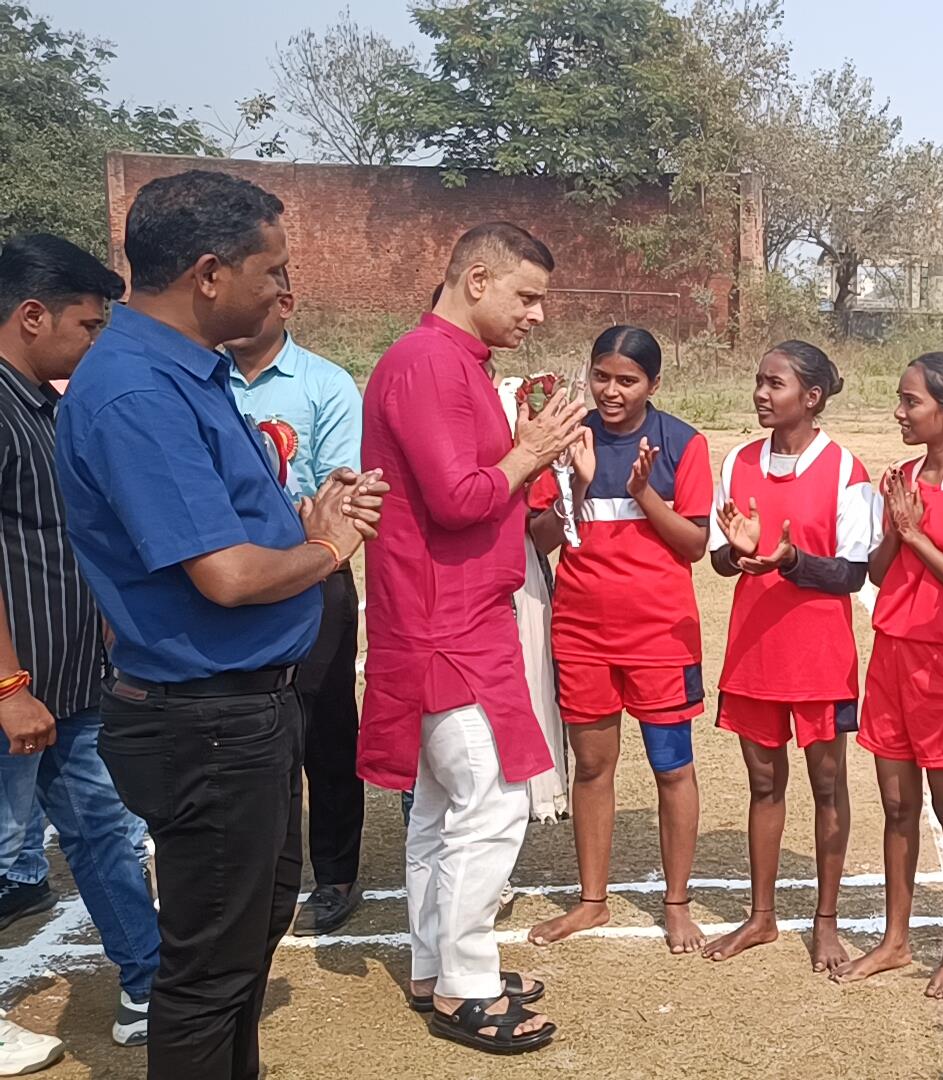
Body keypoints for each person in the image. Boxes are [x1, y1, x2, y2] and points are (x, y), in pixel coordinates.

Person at [54, 171, 385, 1080]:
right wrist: (327, 546)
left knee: (246, 938)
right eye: (270, 269)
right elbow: (229, 576)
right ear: (209, 273)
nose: (281, 290)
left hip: (241, 709)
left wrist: (302, 524)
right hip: (206, 719)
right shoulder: (138, 390)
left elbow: (223, 533)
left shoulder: (182, 372)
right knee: (208, 973)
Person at [359, 222, 585, 1055]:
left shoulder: (454, 363)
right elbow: (458, 499)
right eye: (526, 296)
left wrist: (523, 455)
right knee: (490, 802)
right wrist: (530, 453)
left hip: (449, 613)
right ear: (477, 279)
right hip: (445, 622)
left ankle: (437, 966)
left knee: (444, 804)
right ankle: (464, 983)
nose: (536, 314)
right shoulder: (428, 363)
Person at [0, 234, 160, 1067]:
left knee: (104, 833)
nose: (96, 341)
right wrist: (7, 684)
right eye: (88, 325)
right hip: (15, 692)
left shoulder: (43, 406)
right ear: (33, 316)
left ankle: (149, 984)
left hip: (68, 684)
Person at [523, 326, 713, 954]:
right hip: (582, 634)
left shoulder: (683, 443)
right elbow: (542, 539)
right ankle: (592, 900)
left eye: (627, 380)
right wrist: (576, 485)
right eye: (601, 376)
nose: (611, 391)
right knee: (593, 768)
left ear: (653, 384)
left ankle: (677, 903)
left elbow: (694, 544)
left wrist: (641, 494)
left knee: (672, 768)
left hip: (661, 637)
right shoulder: (565, 438)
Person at [701, 341, 874, 969]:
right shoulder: (738, 461)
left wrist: (792, 560)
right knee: (763, 783)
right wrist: (737, 551)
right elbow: (721, 559)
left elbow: (852, 573)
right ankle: (762, 916)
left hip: (818, 655)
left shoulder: (845, 470)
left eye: (775, 384)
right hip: (754, 651)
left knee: (827, 786)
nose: (761, 393)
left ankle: (825, 920)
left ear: (812, 397)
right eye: (759, 381)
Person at [831, 352, 943, 995]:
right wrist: (899, 533)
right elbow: (877, 571)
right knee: (897, 804)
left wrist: (917, 533)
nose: (899, 412)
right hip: (893, 651)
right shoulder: (900, 476)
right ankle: (895, 940)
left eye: (910, 402)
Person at [224, 276, 368, 937]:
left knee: (325, 727)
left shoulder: (325, 385)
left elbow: (337, 493)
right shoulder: (205, 382)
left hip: (315, 577)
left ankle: (335, 875)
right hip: (231, 576)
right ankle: (267, 876)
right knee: (253, 731)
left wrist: (307, 535)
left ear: (285, 305)